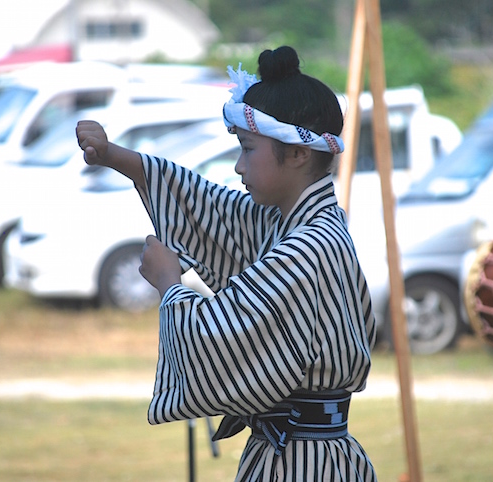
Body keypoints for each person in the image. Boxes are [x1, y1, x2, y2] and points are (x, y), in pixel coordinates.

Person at [76, 45, 377, 482]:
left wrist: (169, 283)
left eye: (248, 149)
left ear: (297, 153)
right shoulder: (294, 223)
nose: (237, 166)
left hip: (306, 464)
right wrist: (114, 156)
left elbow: (220, 336)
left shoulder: (309, 246)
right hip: (295, 455)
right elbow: (211, 207)